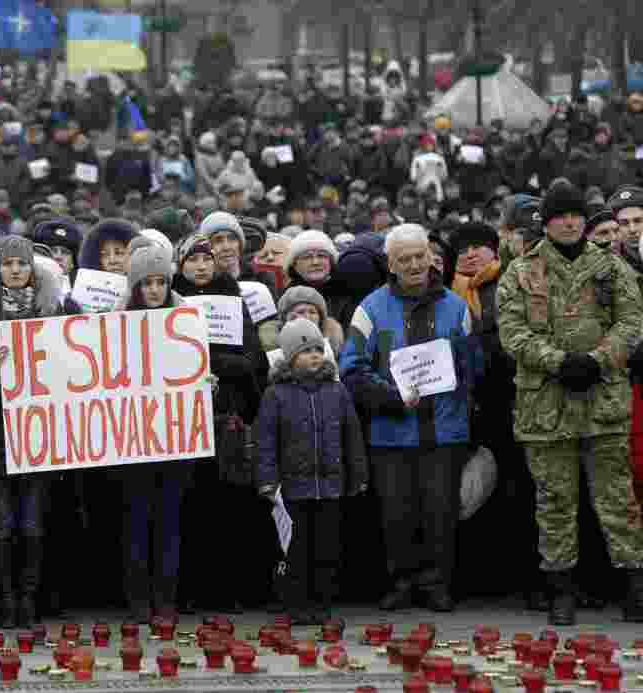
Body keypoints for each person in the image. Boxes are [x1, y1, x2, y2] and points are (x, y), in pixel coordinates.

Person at [497, 181, 643, 625]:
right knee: (555, 500)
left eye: (576, 214)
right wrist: (559, 363)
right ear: (548, 221)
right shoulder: (521, 271)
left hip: (603, 401)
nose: (570, 222)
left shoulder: (614, 269)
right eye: (561, 215)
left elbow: (633, 321)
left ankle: (634, 586)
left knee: (617, 500)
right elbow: (513, 332)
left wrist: (598, 361)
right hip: (547, 406)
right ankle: (561, 588)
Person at [339, 223, 478, 613]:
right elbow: (351, 369)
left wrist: (461, 410)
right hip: (390, 433)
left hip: (444, 430)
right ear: (391, 264)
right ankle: (400, 581)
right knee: (396, 514)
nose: (415, 264)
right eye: (405, 259)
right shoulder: (370, 309)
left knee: (440, 512)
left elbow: (472, 370)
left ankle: (437, 584)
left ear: (432, 257)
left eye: (420, 256)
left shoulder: (456, 307)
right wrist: (389, 397)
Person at [0, 237, 67, 629]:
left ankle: (29, 600)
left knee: (32, 522)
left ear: (32, 270)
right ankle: (4, 601)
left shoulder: (52, 315)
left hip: (39, 434)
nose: (14, 270)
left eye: (21, 264)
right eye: (7, 264)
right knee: (1, 524)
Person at [173, 233, 267, 613]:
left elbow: (252, 360)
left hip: (227, 418)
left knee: (230, 507)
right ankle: (191, 590)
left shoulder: (233, 299)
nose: (200, 266)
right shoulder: (170, 300)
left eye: (206, 259)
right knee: (191, 507)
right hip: (184, 422)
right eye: (192, 259)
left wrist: (210, 363)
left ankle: (230, 591)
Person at [255, 317, 368, 625]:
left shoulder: (337, 391)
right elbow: (265, 440)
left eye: (318, 349)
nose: (314, 356)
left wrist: (357, 474)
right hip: (292, 489)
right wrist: (267, 480)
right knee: (295, 550)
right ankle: (296, 604)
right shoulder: (276, 394)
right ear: (290, 356)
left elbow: (352, 435)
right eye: (306, 351)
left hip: (330, 487)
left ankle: (323, 603)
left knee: (327, 549)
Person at [114, 243, 187, 621]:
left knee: (170, 522)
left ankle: (167, 597)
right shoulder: (116, 323)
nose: (155, 290)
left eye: (161, 282)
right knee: (137, 522)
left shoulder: (186, 323)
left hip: (174, 441)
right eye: (147, 283)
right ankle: (139, 597)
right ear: (136, 286)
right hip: (134, 442)